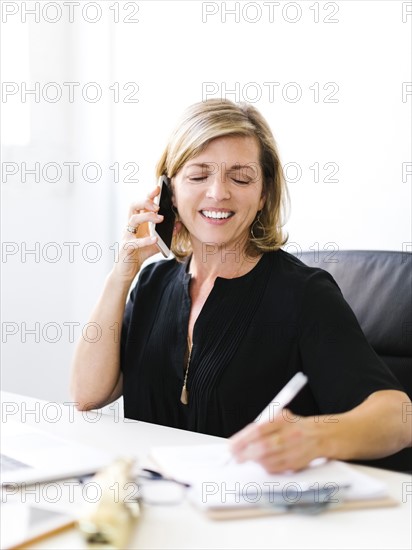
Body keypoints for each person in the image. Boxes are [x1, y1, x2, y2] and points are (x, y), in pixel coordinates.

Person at [71, 98, 411, 473]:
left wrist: (316, 436)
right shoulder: (152, 283)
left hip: (255, 519)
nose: (218, 193)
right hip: (157, 508)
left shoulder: (304, 294)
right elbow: (87, 395)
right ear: (168, 191)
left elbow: (399, 417)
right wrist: (122, 275)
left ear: (264, 193)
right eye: (199, 176)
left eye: (241, 177)